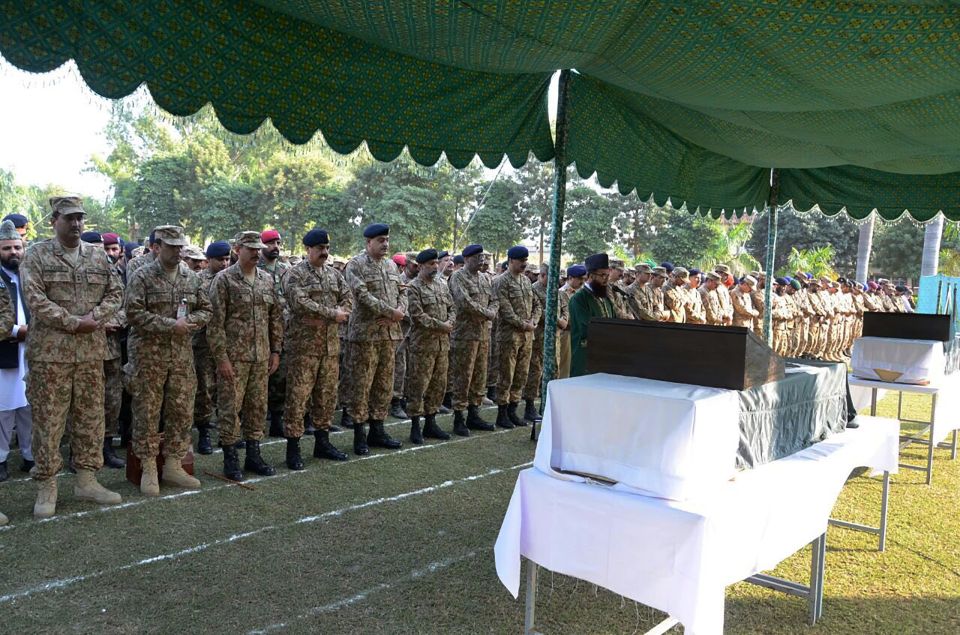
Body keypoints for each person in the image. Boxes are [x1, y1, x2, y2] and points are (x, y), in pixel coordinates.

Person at [22, 195, 122, 519]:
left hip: (91, 354)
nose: (77, 224)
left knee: (91, 418)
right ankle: (47, 485)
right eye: (69, 218)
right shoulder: (37, 255)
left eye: (80, 218)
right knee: (49, 422)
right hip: (51, 356)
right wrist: (73, 322)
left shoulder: (96, 256)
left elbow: (116, 292)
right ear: (54, 221)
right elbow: (34, 298)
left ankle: (86, 480)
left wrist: (96, 316)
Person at [125, 225, 211, 495]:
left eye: (180, 246)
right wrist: (169, 325)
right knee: (147, 411)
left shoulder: (191, 277)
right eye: (171, 246)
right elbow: (133, 312)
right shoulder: (142, 276)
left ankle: (173, 463)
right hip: (149, 356)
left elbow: (206, 308)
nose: (177, 251)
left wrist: (190, 323)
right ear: (157, 246)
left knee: (181, 409)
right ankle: (149, 465)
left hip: (181, 356)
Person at [207, 231, 283, 481]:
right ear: (237, 249)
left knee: (257, 407)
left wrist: (275, 351)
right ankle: (231, 458)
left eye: (257, 247)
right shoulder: (224, 280)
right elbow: (215, 324)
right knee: (230, 408)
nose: (255, 252)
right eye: (249, 247)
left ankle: (253, 454)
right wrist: (222, 359)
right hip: (234, 358)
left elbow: (274, 318)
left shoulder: (265, 280)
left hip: (261, 356)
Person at [280, 229, 352, 468]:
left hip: (330, 348)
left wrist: (333, 316)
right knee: (298, 398)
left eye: (327, 248)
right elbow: (300, 304)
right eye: (320, 248)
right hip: (304, 349)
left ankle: (322, 443)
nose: (325, 252)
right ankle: (293, 447)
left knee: (326, 397)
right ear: (308, 249)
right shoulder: (294, 274)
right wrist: (333, 314)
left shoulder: (334, 275)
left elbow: (348, 298)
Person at [342, 223, 406, 455]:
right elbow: (360, 295)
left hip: (388, 334)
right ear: (368, 242)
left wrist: (398, 312)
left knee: (384, 384)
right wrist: (392, 312)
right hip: (364, 336)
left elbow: (403, 291)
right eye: (380, 240)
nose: (385, 244)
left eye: (387, 239)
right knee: (361, 384)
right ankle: (360, 434)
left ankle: (377, 430)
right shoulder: (355, 265)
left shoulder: (391, 265)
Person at [405, 249, 456, 442]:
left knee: (438, 385)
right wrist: (442, 325)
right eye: (431, 264)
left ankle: (430, 423)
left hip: (442, 346)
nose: (435, 267)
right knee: (419, 385)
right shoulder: (413, 287)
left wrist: (450, 321)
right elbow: (417, 316)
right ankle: (415, 425)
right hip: (423, 346)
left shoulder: (442, 285)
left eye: (436, 263)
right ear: (420, 266)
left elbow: (452, 308)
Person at [448, 244, 498, 434]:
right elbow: (464, 302)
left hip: (483, 334)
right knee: (463, 375)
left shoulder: (485, 278)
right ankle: (459, 416)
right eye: (478, 257)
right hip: (464, 335)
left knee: (479, 375)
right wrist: (487, 313)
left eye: (483, 257)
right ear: (467, 258)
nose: (482, 261)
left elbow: (495, 299)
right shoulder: (458, 277)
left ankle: (473, 413)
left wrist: (492, 311)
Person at [492, 245, 540, 428]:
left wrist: (533, 321)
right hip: (509, 337)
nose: (524, 264)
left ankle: (513, 410)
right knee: (506, 374)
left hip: (527, 336)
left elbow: (537, 305)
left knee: (521, 374)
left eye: (526, 261)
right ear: (511, 261)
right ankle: (502, 413)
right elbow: (504, 310)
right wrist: (524, 324)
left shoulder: (526, 281)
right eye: (521, 261)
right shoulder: (500, 282)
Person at [0, 220, 31, 483]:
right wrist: (14, 331)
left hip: (31, 350)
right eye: (7, 248)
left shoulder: (28, 274)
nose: (14, 252)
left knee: (29, 407)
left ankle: (30, 456)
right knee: (3, 410)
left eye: (17, 247)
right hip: (6, 350)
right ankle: (0, 459)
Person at [193, 240, 231, 454]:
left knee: (226, 388)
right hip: (203, 343)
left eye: (227, 259)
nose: (225, 263)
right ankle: (205, 431)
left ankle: (227, 431)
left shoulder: (232, 278)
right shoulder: (198, 280)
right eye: (220, 260)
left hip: (228, 343)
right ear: (208, 261)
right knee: (205, 389)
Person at [258, 229, 289, 438]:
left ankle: (277, 418)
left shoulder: (286, 270)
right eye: (270, 243)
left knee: (280, 377)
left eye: (277, 243)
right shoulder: (255, 268)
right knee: (257, 379)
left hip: (282, 330)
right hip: (258, 331)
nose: (275, 247)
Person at [568, 253, 617, 377]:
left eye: (607, 275)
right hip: (585, 355)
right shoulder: (579, 299)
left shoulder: (605, 298)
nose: (606, 279)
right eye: (602, 275)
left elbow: (615, 321)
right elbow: (586, 327)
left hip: (605, 354)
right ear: (590, 276)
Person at [521, 264, 546, 423]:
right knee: (534, 371)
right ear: (543, 275)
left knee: (545, 371)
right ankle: (529, 406)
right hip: (536, 335)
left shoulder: (551, 290)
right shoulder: (534, 288)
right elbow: (540, 309)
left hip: (546, 336)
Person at [556, 264, 585, 378]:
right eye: (579, 279)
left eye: (583, 279)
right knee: (565, 363)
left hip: (579, 332)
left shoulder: (581, 292)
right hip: (566, 332)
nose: (582, 281)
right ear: (570, 278)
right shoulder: (561, 292)